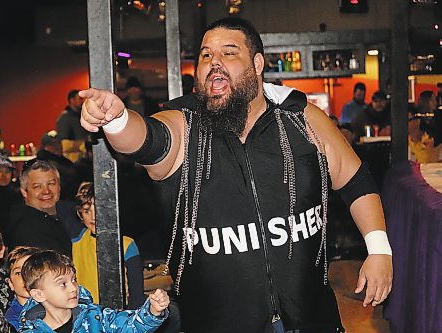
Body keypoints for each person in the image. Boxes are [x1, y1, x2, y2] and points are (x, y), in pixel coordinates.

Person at [79, 17, 393, 333]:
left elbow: (356, 181)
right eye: (205, 55)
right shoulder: (185, 127)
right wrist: (117, 121)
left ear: (257, 63)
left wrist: (379, 249)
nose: (214, 62)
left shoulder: (301, 119)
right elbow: (147, 140)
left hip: (311, 319)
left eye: (228, 52)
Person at [19, 249, 169, 333]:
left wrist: (153, 311)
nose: (73, 288)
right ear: (38, 294)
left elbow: (131, 326)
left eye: (73, 280)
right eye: (62, 284)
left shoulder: (95, 316)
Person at [72, 182, 146, 307]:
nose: (93, 217)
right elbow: (61, 206)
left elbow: (136, 292)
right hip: (85, 312)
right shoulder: (78, 239)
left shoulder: (127, 244)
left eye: (99, 210)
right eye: (86, 211)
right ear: (80, 214)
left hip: (118, 312)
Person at [7, 160, 76, 257]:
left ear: (59, 186)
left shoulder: (72, 214)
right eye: (37, 186)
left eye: (51, 184)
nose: (46, 191)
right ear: (24, 192)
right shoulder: (28, 229)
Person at [5, 246, 41, 332]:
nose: (25, 277)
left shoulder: (58, 306)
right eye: (18, 273)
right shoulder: (11, 321)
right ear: (10, 283)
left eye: (31, 270)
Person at [36, 130, 76, 199]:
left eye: (59, 143)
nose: (57, 146)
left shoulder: (65, 162)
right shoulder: (42, 165)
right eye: (52, 144)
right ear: (45, 147)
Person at [56, 89, 88, 162]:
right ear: (72, 100)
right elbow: (64, 144)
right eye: (80, 99)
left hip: (84, 160)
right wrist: (83, 145)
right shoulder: (65, 118)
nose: (83, 101)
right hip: (72, 162)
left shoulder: (83, 116)